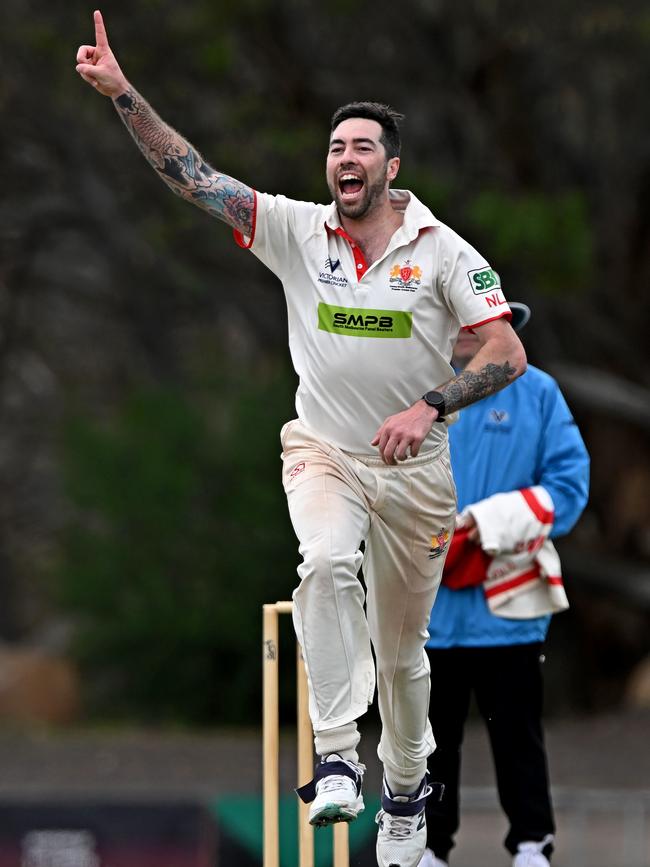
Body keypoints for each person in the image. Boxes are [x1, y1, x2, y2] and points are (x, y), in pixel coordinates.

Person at [76, 12, 527, 867]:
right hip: (323, 450)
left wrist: (430, 404)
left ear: (392, 166)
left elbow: (506, 350)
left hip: (417, 473)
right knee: (322, 562)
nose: (344, 161)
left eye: (361, 149)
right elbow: (195, 178)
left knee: (401, 657)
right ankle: (335, 757)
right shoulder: (294, 229)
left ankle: (405, 788)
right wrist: (123, 93)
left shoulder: (444, 253)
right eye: (335, 149)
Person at [417, 303, 590, 867]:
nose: (469, 332)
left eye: (481, 322)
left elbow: (568, 484)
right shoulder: (417, 388)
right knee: (428, 743)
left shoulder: (538, 392)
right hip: (428, 608)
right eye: (460, 321)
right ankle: (428, 846)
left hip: (508, 602)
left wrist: (495, 525)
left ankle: (532, 844)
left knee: (517, 737)